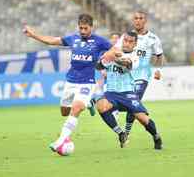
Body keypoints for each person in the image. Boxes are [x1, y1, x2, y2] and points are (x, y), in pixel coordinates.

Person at [23, 13, 112, 152]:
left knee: (76, 109)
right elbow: (51, 41)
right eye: (80, 28)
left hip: (87, 83)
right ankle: (89, 102)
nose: (82, 31)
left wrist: (110, 59)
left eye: (85, 28)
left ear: (91, 27)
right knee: (65, 112)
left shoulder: (100, 41)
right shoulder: (73, 38)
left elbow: (114, 50)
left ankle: (60, 140)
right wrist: (33, 34)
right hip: (71, 81)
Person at [96, 31, 163, 149]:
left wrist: (113, 57)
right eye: (125, 40)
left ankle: (156, 136)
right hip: (111, 93)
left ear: (135, 44)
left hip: (128, 94)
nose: (126, 43)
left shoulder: (135, 57)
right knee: (101, 105)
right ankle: (121, 134)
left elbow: (127, 64)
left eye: (130, 41)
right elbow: (98, 67)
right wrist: (102, 60)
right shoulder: (112, 52)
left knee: (143, 119)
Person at [113, 11, 164, 139]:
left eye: (141, 18)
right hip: (127, 77)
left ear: (145, 20)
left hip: (142, 76)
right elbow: (116, 50)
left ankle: (126, 133)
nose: (138, 21)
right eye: (135, 18)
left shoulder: (153, 38)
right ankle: (153, 132)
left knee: (133, 102)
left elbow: (159, 56)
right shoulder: (126, 37)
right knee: (132, 106)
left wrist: (158, 70)